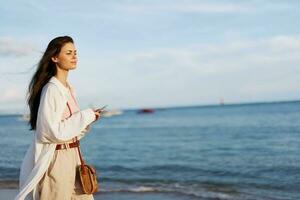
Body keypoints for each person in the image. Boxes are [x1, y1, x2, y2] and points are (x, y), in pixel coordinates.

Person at [15, 36, 102, 200]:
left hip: (74, 154)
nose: (74, 57)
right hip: (58, 159)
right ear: (54, 58)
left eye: (75, 53)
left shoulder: (69, 89)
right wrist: (85, 115)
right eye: (69, 53)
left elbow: (70, 130)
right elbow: (48, 131)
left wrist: (88, 120)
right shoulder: (52, 89)